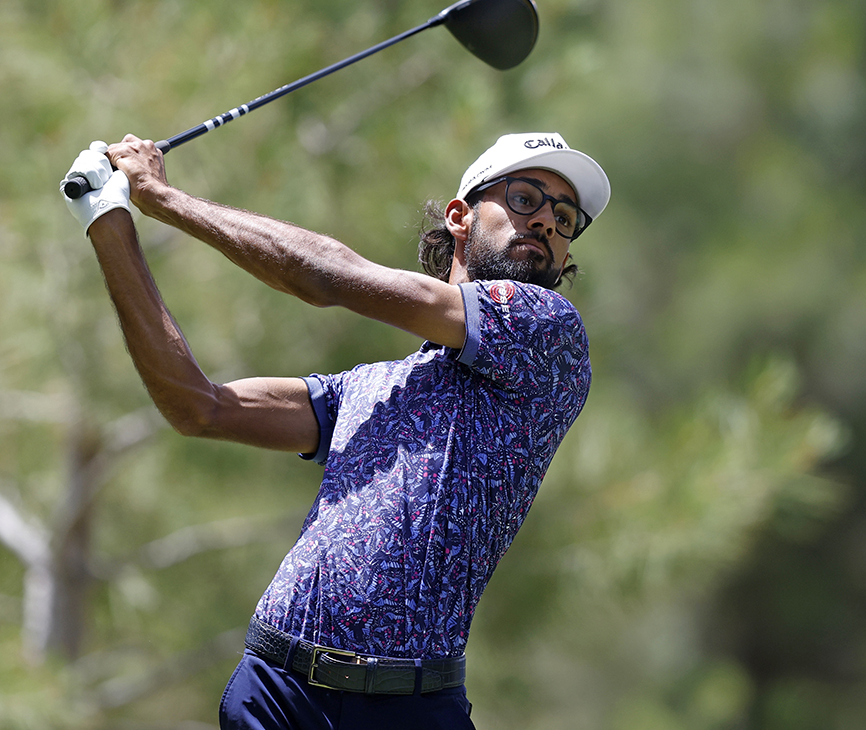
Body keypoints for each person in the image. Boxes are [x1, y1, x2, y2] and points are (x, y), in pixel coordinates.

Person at [59, 131, 611, 729]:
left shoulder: (549, 334)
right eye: (527, 198)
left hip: (410, 709)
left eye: (564, 217)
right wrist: (108, 220)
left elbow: (325, 276)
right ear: (460, 216)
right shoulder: (370, 387)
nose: (548, 224)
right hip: (276, 691)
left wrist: (162, 198)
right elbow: (198, 407)